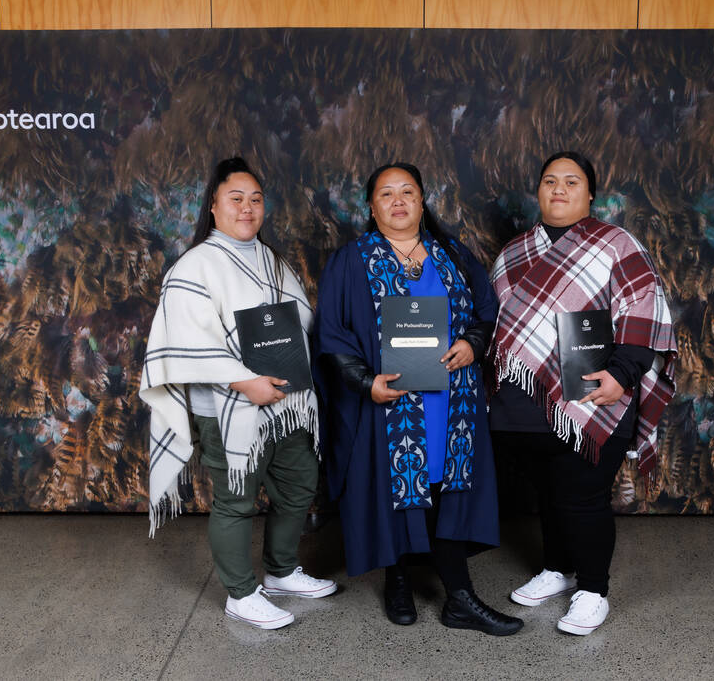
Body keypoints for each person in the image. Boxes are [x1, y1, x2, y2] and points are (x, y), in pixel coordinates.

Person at [314, 162, 522, 636]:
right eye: (386, 194)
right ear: (371, 206)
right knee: (397, 486)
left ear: (422, 199)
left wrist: (471, 341)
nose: (398, 201)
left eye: (407, 191)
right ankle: (399, 580)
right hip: (391, 399)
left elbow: (485, 311)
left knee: (444, 487)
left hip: (451, 399)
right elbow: (333, 334)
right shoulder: (352, 260)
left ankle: (459, 596)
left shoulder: (452, 253)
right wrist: (366, 382)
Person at [139, 157, 336, 630]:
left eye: (255, 199)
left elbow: (301, 321)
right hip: (230, 406)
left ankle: (283, 570)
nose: (247, 208)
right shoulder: (195, 266)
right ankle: (241, 594)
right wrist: (244, 380)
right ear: (214, 206)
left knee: (298, 487)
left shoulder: (271, 259)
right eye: (236, 199)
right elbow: (185, 341)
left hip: (286, 404)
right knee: (235, 500)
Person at [487, 151, 677, 635]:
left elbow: (642, 310)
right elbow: (498, 330)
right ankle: (557, 568)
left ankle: (592, 590)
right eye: (550, 181)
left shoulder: (616, 243)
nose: (559, 189)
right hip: (522, 403)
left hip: (594, 392)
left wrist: (623, 374)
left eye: (571, 181)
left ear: (590, 193)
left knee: (583, 496)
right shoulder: (512, 252)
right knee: (549, 493)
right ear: (538, 191)